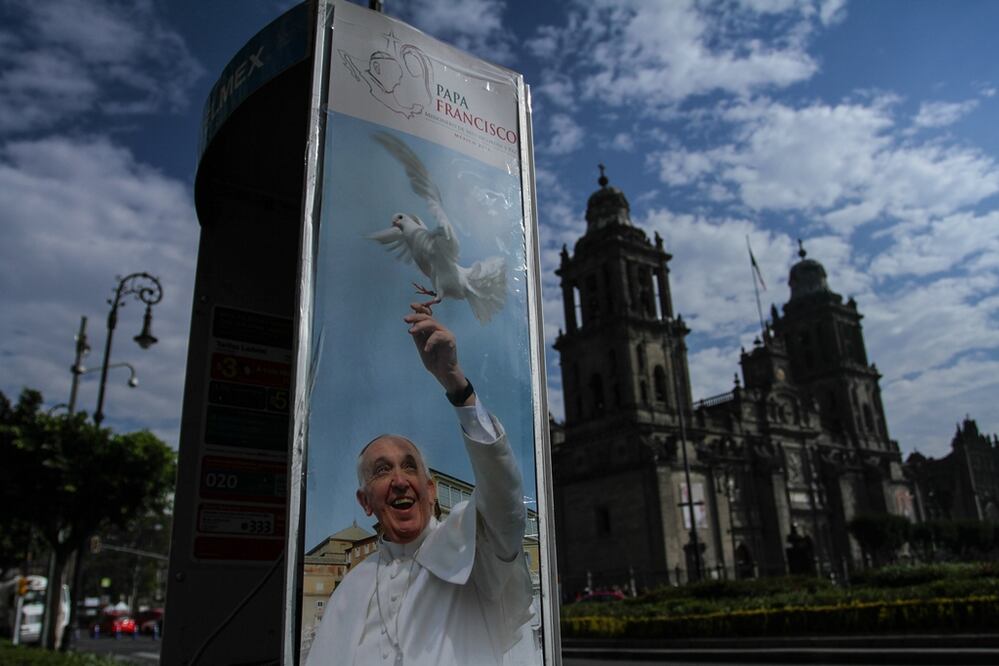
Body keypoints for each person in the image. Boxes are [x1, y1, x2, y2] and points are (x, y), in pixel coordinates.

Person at [304, 305, 540, 666]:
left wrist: (456, 384)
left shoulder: (473, 551)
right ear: (365, 502)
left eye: (409, 467)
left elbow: (505, 500)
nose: (399, 481)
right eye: (382, 471)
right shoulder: (351, 587)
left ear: (431, 490)